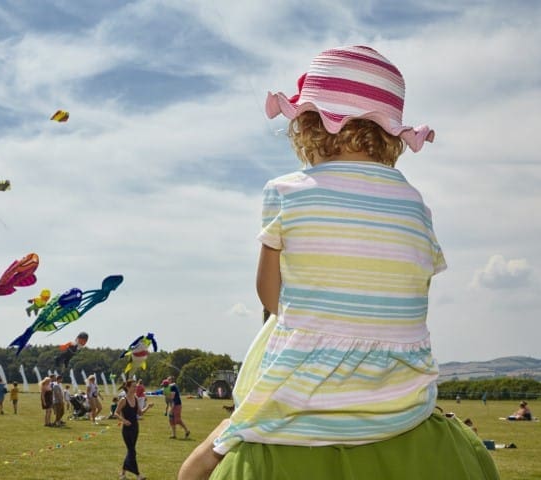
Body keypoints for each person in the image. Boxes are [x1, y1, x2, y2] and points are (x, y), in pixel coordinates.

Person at [179, 46, 499, 480]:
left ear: (308, 124)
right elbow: (410, 296)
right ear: (391, 134)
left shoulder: (287, 192)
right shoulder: (416, 205)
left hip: (301, 401)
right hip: (401, 402)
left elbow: (270, 297)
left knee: (191, 472)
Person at [116, 380, 152, 480]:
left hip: (135, 428)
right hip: (127, 429)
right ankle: (138, 475)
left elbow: (140, 413)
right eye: (133, 386)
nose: (135, 388)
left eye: (135, 386)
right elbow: (116, 413)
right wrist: (123, 420)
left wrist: (148, 407)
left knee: (130, 451)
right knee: (132, 451)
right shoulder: (123, 400)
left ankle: (122, 474)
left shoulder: (135, 398)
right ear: (127, 387)